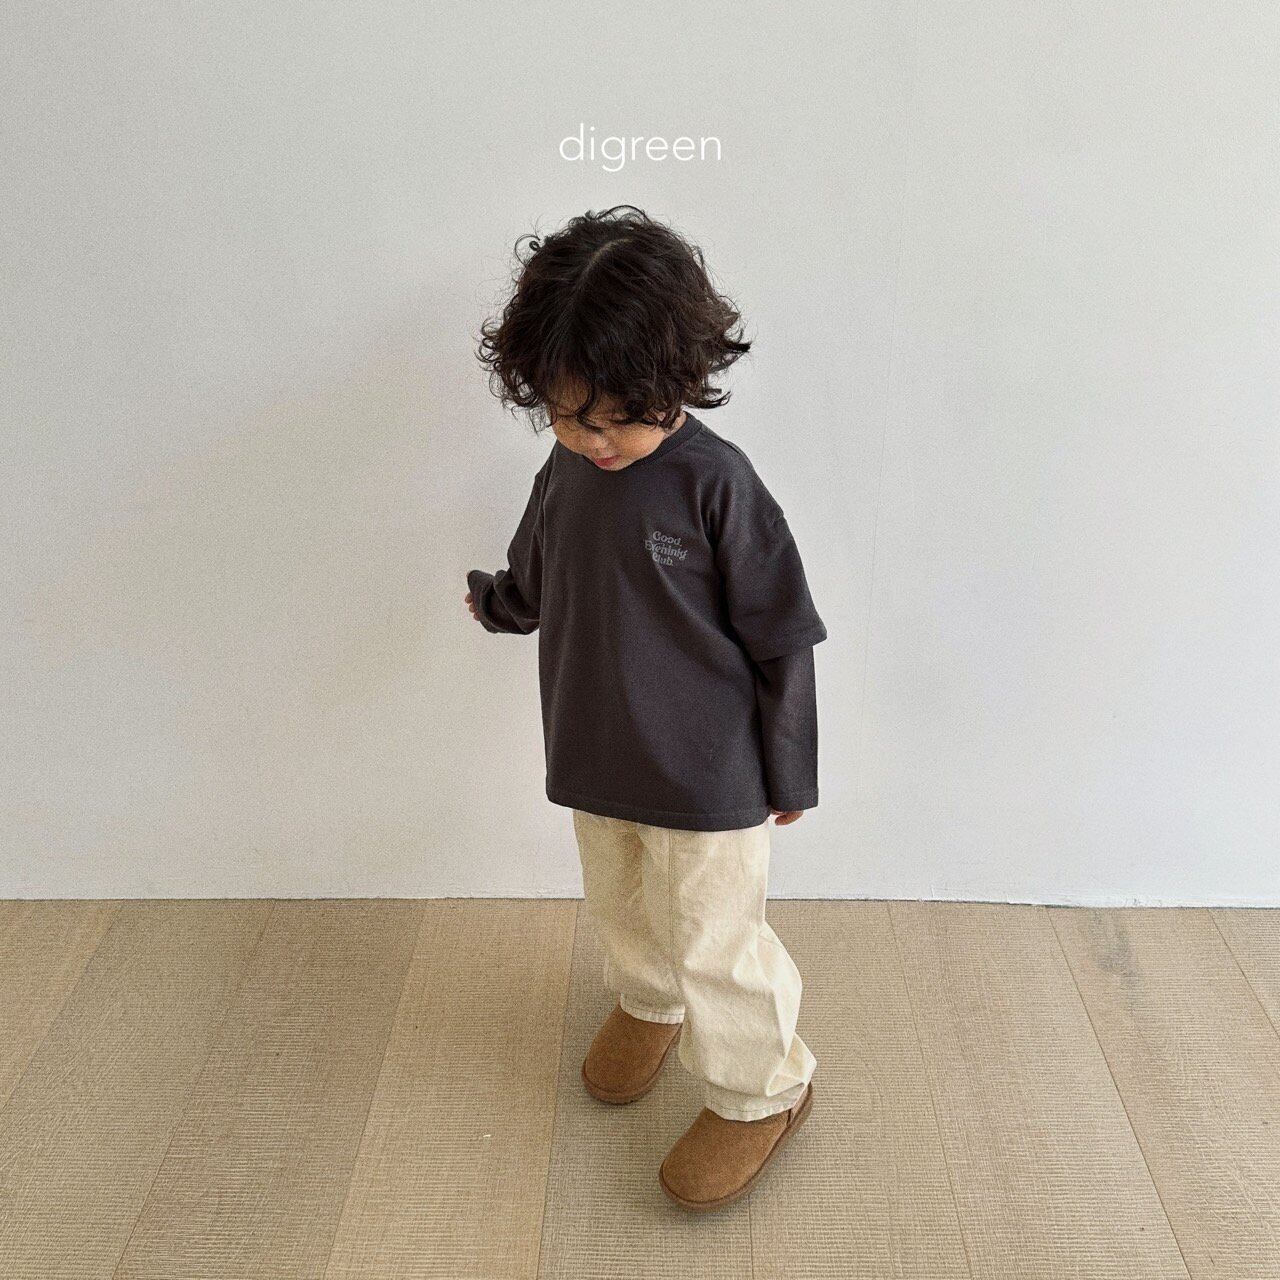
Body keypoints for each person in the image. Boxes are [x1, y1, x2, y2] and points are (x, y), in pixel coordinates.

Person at [465, 206, 826, 1212]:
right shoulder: (568, 468)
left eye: (615, 418)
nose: (591, 439)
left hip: (709, 774)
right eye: (566, 415)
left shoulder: (719, 485)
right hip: (595, 746)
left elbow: (782, 633)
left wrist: (788, 767)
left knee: (714, 936)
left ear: (679, 379)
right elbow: (540, 566)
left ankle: (761, 1089)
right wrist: (499, 602)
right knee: (622, 902)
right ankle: (648, 1000)